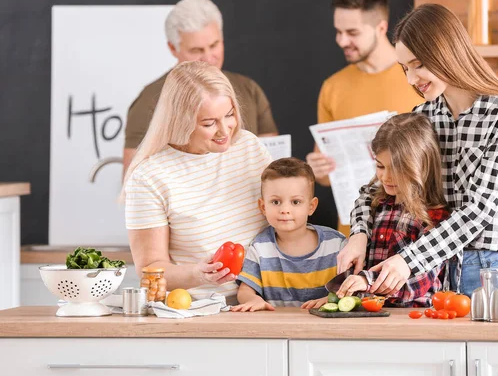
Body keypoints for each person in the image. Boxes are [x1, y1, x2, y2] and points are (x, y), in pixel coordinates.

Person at [337, 4, 498, 298]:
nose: (410, 79)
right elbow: (378, 187)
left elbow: (479, 211)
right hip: (442, 273)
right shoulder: (423, 116)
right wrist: (358, 235)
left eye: (417, 65)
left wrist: (409, 260)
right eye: (405, 68)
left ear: (446, 51)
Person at [123, 61, 272, 304]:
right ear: (180, 121)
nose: (225, 130)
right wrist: (198, 273)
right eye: (209, 123)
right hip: (200, 308)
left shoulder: (249, 147)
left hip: (266, 301)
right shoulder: (148, 177)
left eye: (230, 115)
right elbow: (149, 268)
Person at [306, 0, 423, 236]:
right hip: (354, 232)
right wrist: (317, 170)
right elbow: (326, 177)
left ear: (381, 27)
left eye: (352, 32)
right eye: (338, 31)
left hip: (409, 231)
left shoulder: (418, 79)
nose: (341, 40)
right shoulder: (333, 87)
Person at [124, 0, 278, 176]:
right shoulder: (149, 101)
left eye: (214, 45)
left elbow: (273, 168)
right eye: (196, 50)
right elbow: (132, 179)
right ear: (173, 48)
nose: (208, 57)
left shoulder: (249, 90)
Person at [335, 114, 449, 307]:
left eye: (397, 168)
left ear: (421, 166)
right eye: (380, 166)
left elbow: (419, 282)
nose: (386, 177)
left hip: (413, 318)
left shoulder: (434, 216)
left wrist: (367, 281)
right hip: (370, 312)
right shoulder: (376, 204)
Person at [232, 158, 347, 312]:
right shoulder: (260, 247)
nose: (285, 210)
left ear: (311, 206)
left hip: (327, 327)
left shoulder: (336, 244)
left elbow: (354, 286)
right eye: (275, 202)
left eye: (295, 202)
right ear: (263, 206)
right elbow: (245, 290)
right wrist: (254, 300)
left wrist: (334, 299)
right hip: (278, 329)